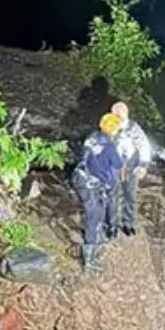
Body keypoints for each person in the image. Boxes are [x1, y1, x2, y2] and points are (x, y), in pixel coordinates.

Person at [72, 113, 123, 272]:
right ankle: (89, 258)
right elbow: (118, 164)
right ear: (114, 130)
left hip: (80, 178)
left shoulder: (92, 136)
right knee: (93, 217)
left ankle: (95, 238)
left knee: (95, 212)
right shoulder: (109, 147)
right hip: (91, 184)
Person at [110, 101, 152, 236]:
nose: (118, 119)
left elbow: (144, 146)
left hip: (131, 167)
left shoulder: (134, 128)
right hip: (114, 168)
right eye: (116, 115)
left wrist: (143, 165)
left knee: (130, 196)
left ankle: (128, 223)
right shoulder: (109, 126)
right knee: (113, 196)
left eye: (121, 116)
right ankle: (112, 225)